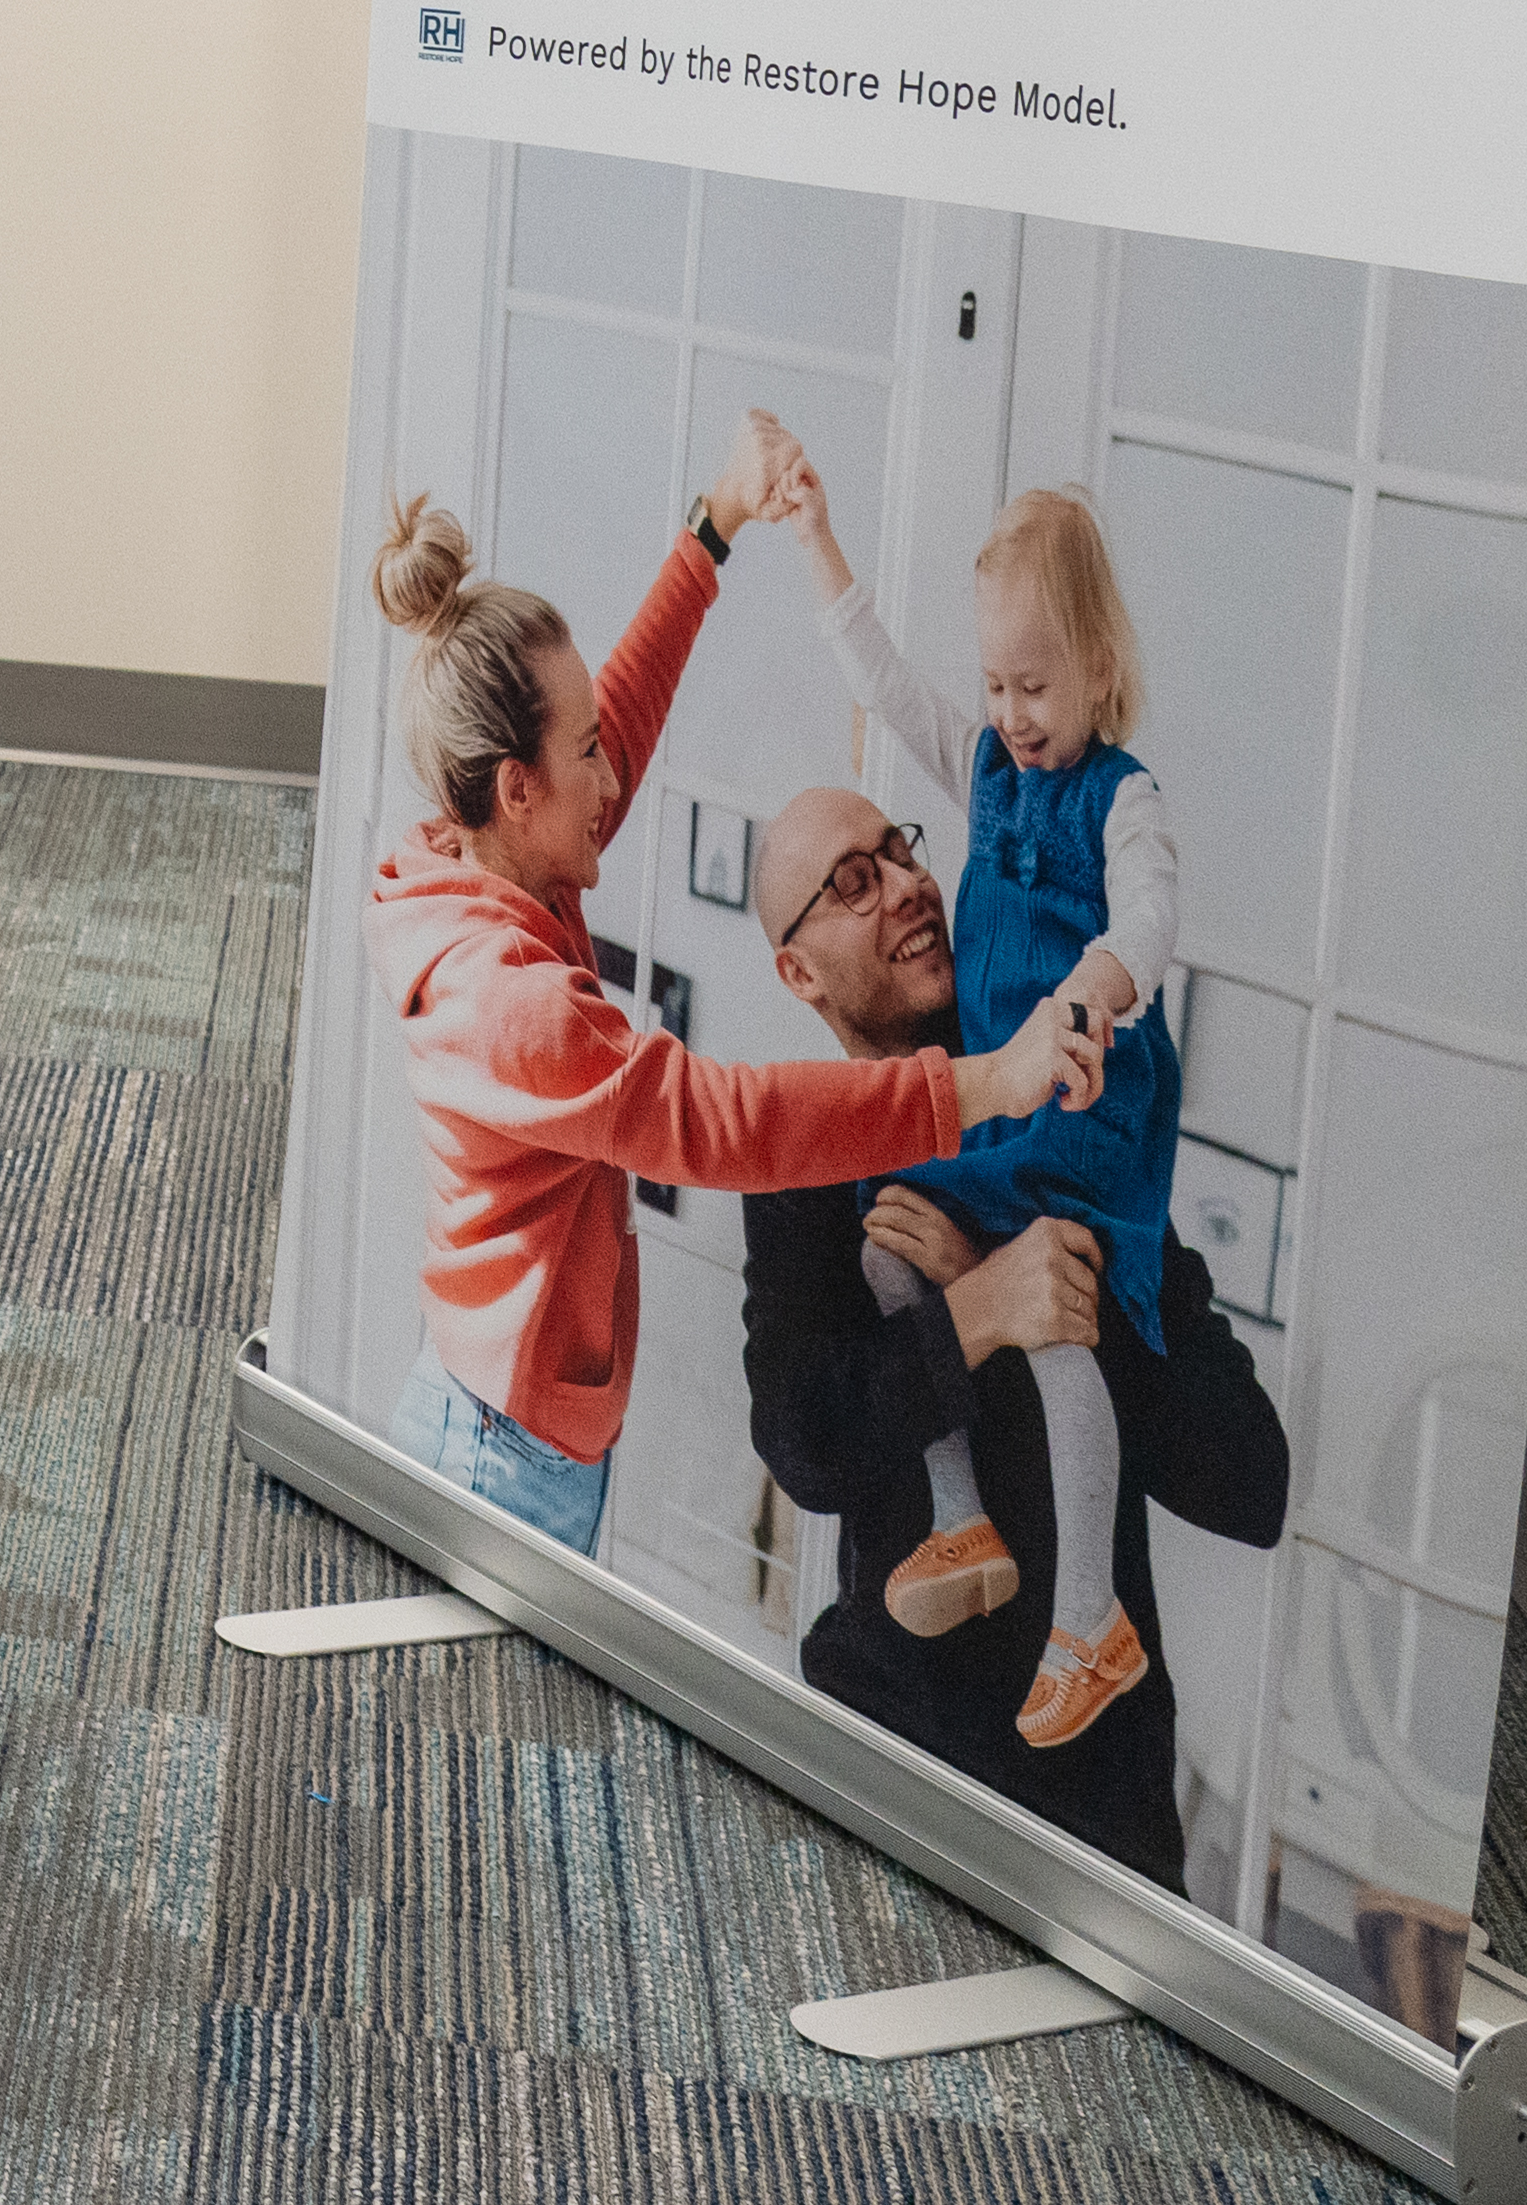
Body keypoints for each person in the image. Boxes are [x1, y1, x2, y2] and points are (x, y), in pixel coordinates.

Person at [362, 446, 1110, 1554]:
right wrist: (982, 1084)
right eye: (584, 761)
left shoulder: (489, 854)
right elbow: (720, 1121)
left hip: (511, 1415)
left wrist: (710, 531)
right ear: (519, 792)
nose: (612, 779)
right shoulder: (508, 1006)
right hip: (498, 1448)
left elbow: (615, 712)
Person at [740, 773, 1290, 1881]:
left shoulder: (1074, 1124)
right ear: (797, 971)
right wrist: (979, 1308)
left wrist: (1055, 1298)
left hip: (1092, 1798)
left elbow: (1251, 1481)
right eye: (854, 881)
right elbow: (805, 1443)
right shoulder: (799, 1156)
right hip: (883, 1741)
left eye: (901, 851)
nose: (906, 886)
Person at [757, 424, 1193, 1746]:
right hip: (992, 1132)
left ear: (1099, 672)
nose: (1007, 714)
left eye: (1035, 687)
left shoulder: (1117, 799)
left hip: (1070, 1111)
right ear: (796, 975)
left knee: (1059, 1326)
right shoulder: (994, 772)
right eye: (995, 685)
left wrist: (1086, 1002)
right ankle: (962, 1525)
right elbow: (886, 684)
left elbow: (1152, 922)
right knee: (897, 1258)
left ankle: (1085, 1619)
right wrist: (816, 539)